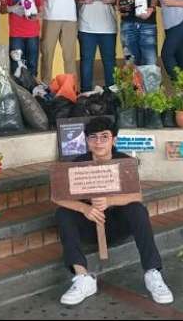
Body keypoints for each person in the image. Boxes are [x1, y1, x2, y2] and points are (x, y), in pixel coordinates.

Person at [53, 117, 173, 306]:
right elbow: (58, 197)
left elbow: (137, 195)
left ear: (114, 140)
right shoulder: (77, 164)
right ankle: (83, 278)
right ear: (87, 141)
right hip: (90, 225)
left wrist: (109, 201)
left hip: (117, 225)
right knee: (63, 213)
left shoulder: (124, 162)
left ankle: (153, 273)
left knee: (137, 210)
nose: (98, 142)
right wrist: (85, 208)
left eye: (104, 137)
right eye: (93, 137)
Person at [76, 0, 118, 92]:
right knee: (86, 61)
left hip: (108, 27)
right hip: (86, 27)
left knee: (109, 62)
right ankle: (86, 92)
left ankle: (111, 93)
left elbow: (120, 0)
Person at [2, 0, 44, 78]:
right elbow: (2, 9)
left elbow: (41, 11)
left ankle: (32, 94)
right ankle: (18, 94)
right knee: (16, 67)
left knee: (32, 66)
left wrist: (36, 16)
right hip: (16, 35)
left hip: (33, 34)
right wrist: (12, 8)